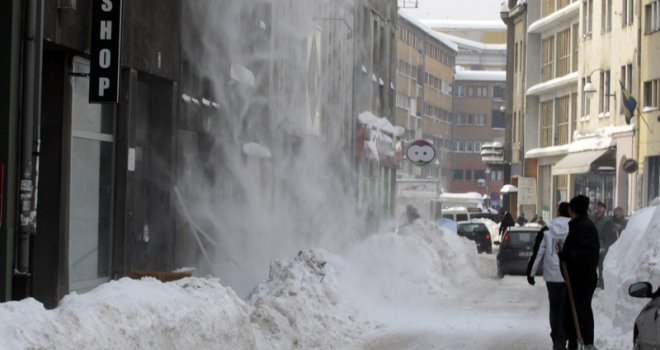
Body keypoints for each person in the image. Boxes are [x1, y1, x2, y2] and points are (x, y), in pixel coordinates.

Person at [528, 202, 571, 350]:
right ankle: (567, 337)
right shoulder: (575, 227)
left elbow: (538, 252)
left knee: (555, 308)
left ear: (558, 211)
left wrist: (531, 273)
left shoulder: (547, 229)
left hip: (553, 276)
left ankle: (558, 340)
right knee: (568, 307)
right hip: (570, 276)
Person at [559, 195, 600, 350]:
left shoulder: (583, 226)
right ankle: (574, 342)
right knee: (572, 311)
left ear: (573, 209)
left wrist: (568, 256)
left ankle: (586, 343)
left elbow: (586, 252)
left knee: (581, 310)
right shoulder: (579, 224)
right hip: (578, 278)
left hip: (582, 278)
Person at [597, 206, 627, 288]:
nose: (617, 213)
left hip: (620, 246)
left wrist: (620, 229)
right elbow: (603, 232)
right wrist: (611, 229)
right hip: (609, 245)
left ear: (622, 212)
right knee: (604, 264)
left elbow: (627, 234)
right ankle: (602, 282)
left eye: (619, 211)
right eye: (616, 211)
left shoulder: (625, 222)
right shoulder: (609, 221)